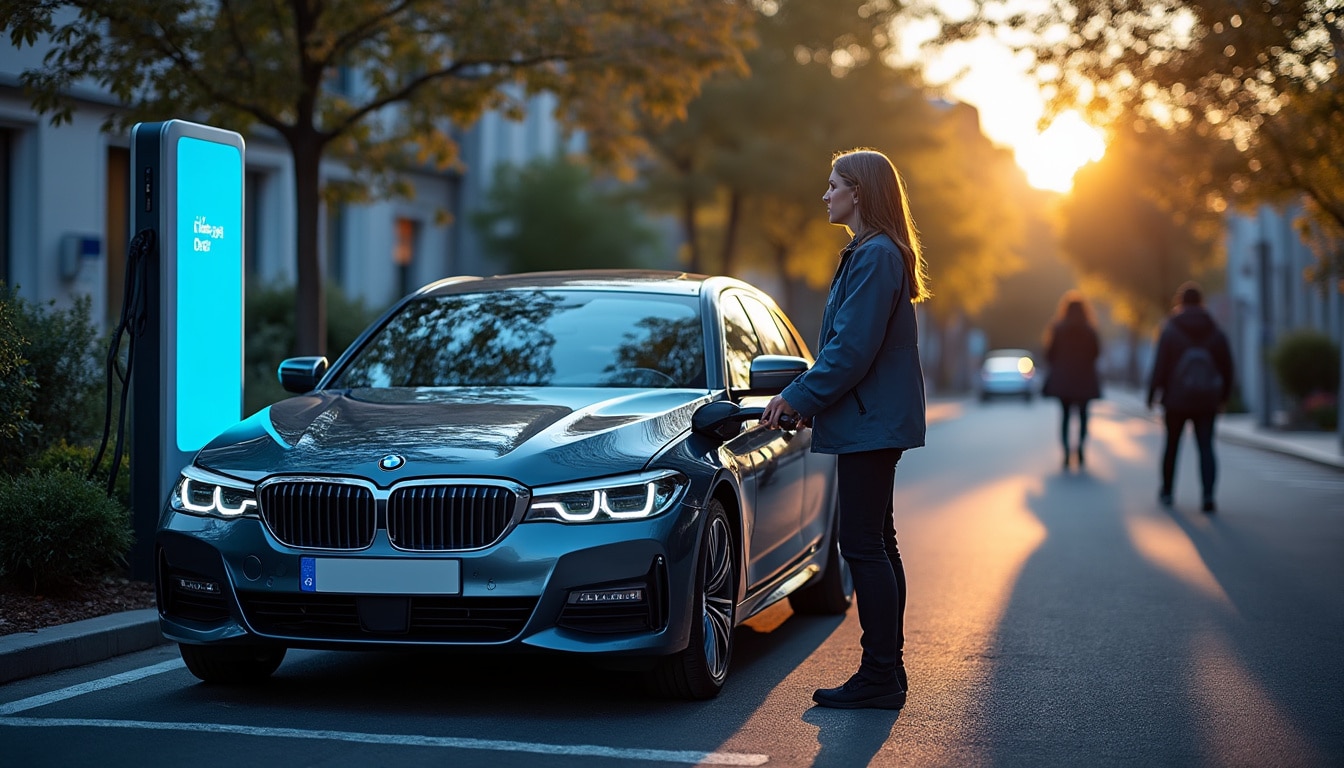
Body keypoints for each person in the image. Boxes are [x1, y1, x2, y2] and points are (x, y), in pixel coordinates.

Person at [761, 148, 930, 710]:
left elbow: (850, 349)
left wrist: (797, 395)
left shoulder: (877, 255)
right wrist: (809, 399)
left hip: (871, 420)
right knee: (876, 541)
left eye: (833, 185)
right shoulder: (870, 252)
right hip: (870, 416)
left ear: (858, 191)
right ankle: (889, 672)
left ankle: (882, 674)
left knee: (862, 543)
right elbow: (850, 349)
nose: (825, 194)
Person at [1145, 281, 1235, 513]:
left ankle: (1167, 491)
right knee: (1206, 446)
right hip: (1207, 400)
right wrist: (1223, 398)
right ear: (1201, 303)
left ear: (1180, 303)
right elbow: (1227, 368)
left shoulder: (1170, 330)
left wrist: (1152, 394)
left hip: (1176, 400)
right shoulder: (1215, 330)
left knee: (1172, 445)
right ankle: (1208, 495)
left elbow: (1160, 365)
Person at [1041, 290, 1102, 469]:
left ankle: (1066, 451)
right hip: (1084, 380)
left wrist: (1061, 365)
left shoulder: (1058, 329)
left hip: (1063, 381)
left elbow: (1049, 354)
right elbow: (1096, 353)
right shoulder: (1090, 330)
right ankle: (1081, 448)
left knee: (1065, 416)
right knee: (1083, 416)